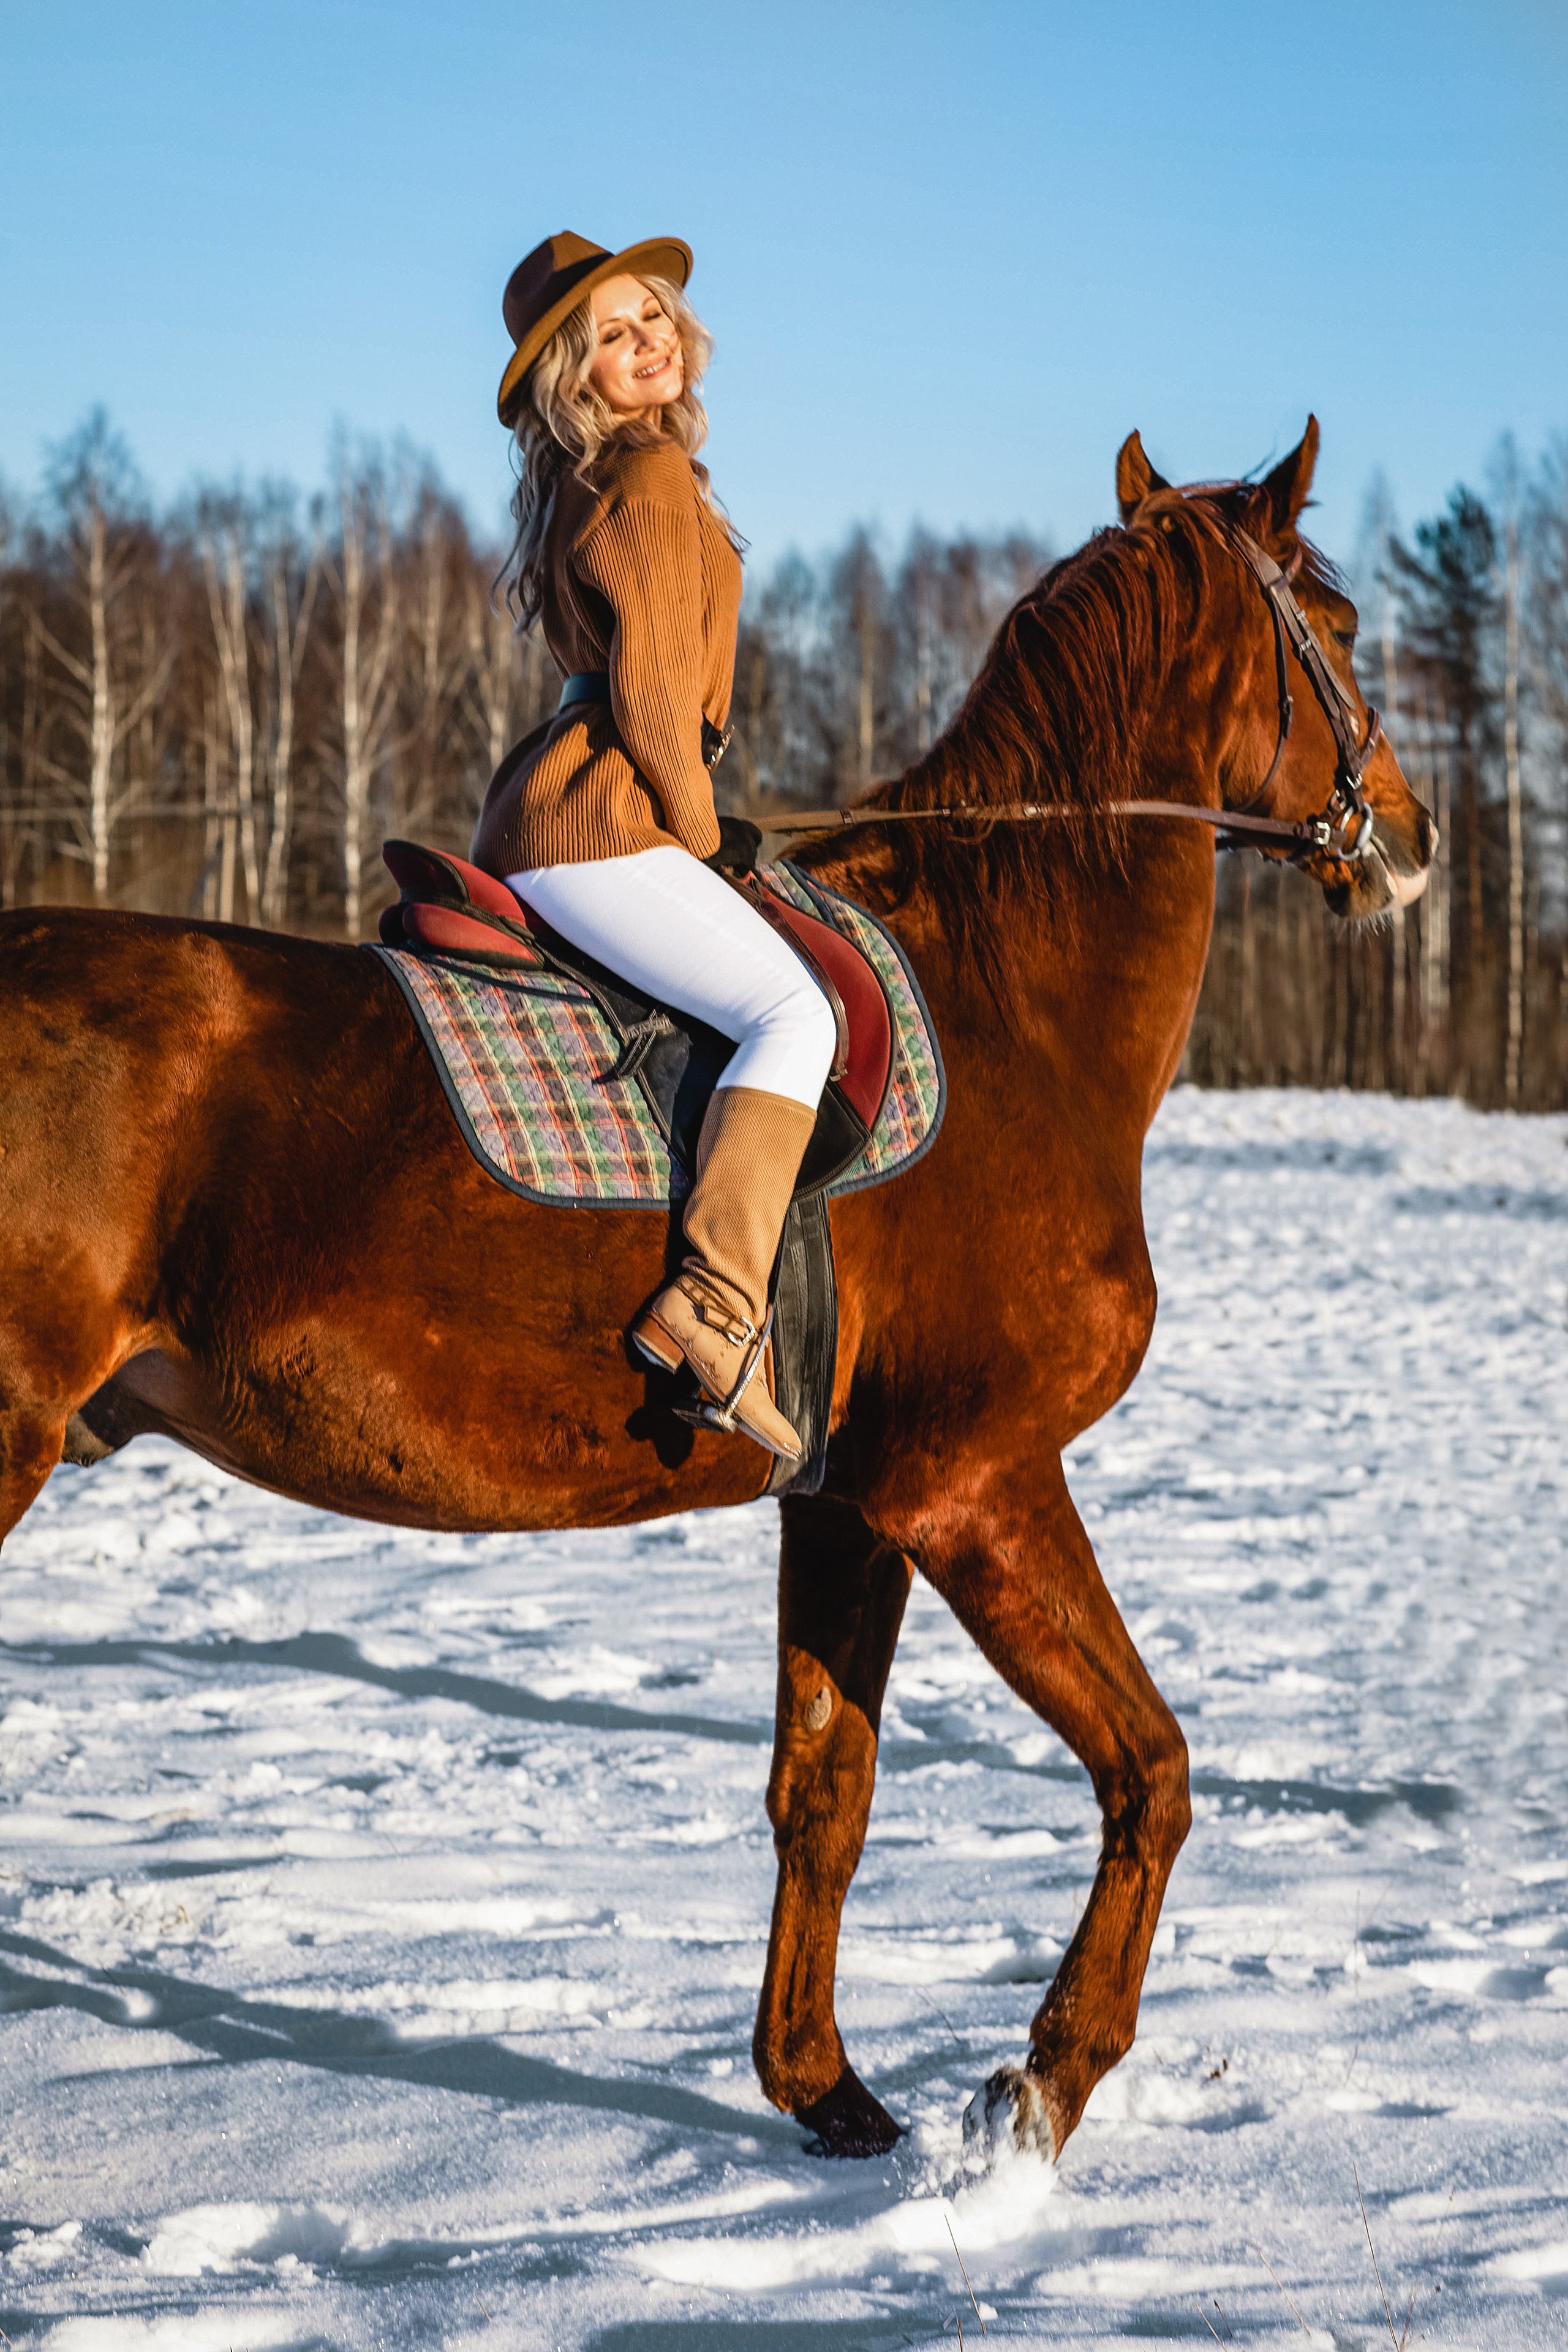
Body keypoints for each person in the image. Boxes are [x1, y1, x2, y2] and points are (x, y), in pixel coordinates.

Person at [472, 233, 838, 1461]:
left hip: (572, 805)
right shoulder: (647, 473)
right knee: (796, 1017)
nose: (650, 342)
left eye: (656, 317)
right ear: (577, 373)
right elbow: (650, 695)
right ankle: (717, 1307)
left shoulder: (602, 475)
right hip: (605, 812)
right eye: (616, 335)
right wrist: (696, 827)